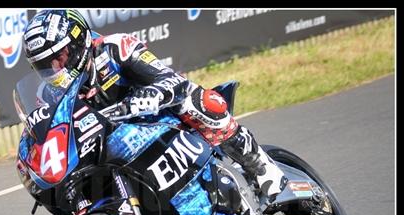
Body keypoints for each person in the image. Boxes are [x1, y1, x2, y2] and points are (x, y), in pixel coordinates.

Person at [21, 10, 287, 201]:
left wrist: (138, 101)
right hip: (113, 146)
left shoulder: (115, 49)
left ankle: (261, 167)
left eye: (59, 58)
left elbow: (169, 80)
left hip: (160, 118)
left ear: (79, 42)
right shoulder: (49, 95)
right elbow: (55, 136)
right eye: (44, 66)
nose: (54, 70)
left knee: (198, 100)